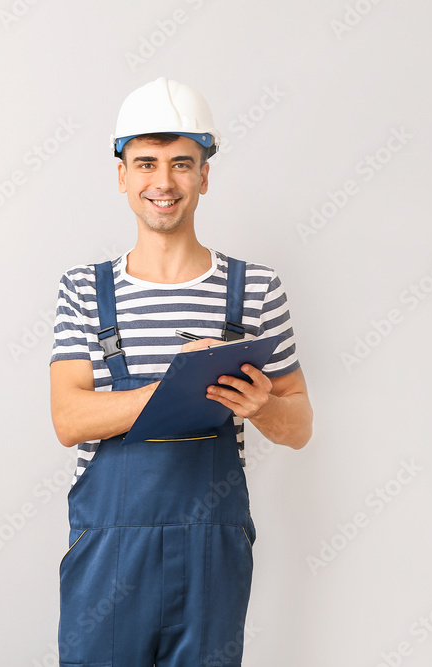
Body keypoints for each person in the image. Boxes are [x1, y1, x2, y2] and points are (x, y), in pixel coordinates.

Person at [48, 77, 313, 667]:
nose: (163, 182)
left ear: (204, 175)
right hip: (109, 550)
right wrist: (177, 389)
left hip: (211, 547)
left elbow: (298, 426)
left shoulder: (256, 291)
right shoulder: (86, 291)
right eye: (146, 163)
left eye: (181, 164)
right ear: (122, 175)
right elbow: (69, 419)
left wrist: (261, 404)